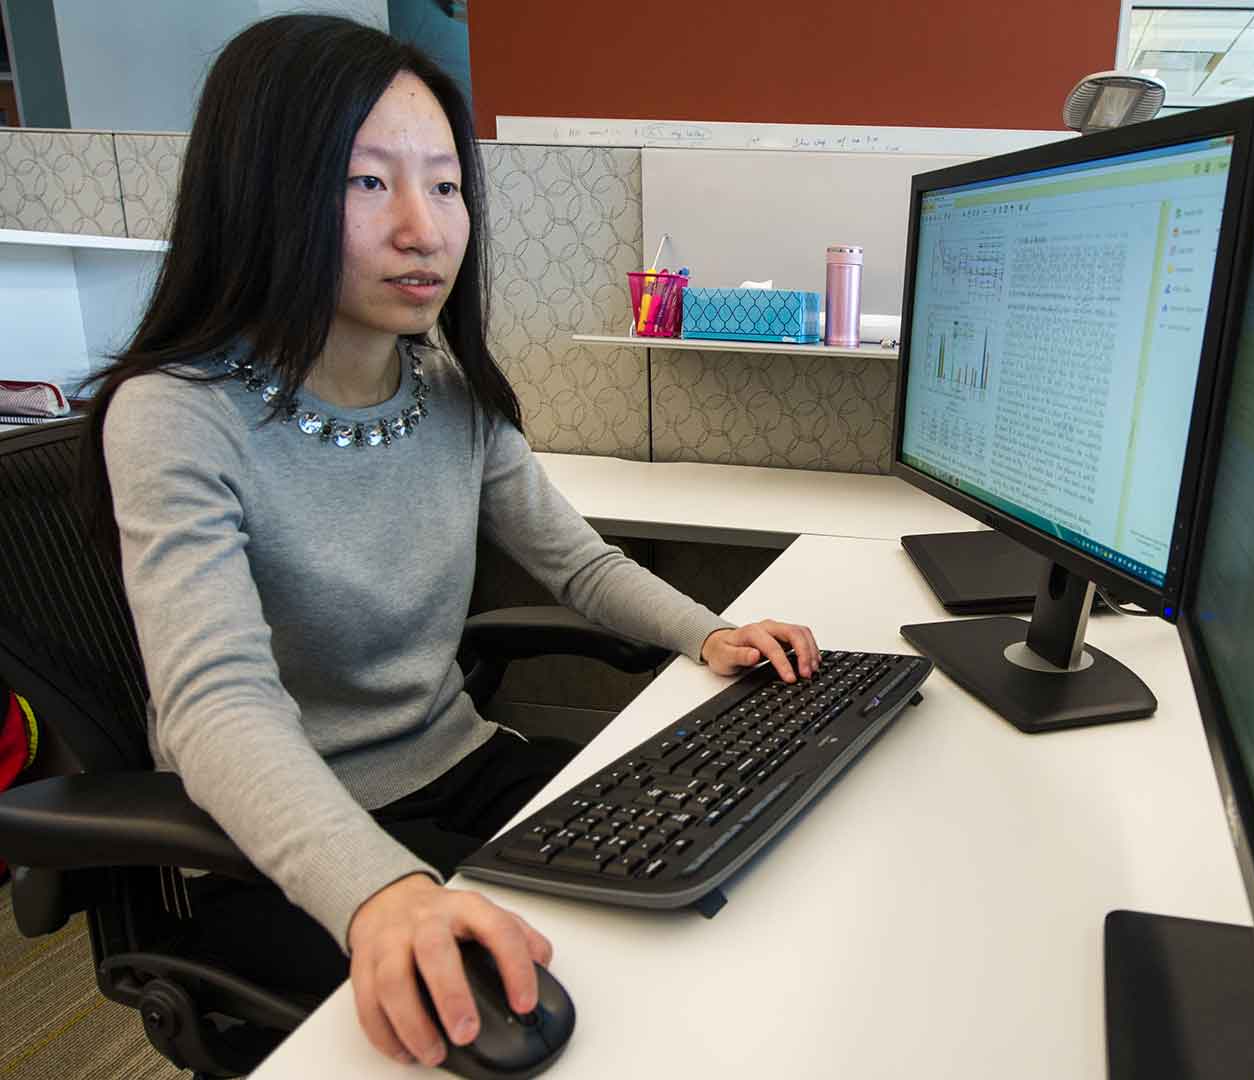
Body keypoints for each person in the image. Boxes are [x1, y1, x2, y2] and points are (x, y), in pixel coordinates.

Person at [78, 14, 820, 1070]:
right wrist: (377, 891)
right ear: (261, 193)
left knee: (706, 877)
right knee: (561, 1012)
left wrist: (714, 637)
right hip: (287, 839)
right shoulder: (175, 412)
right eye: (367, 183)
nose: (424, 229)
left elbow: (580, 563)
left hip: (459, 769)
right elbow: (215, 702)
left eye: (446, 185)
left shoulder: (449, 390)